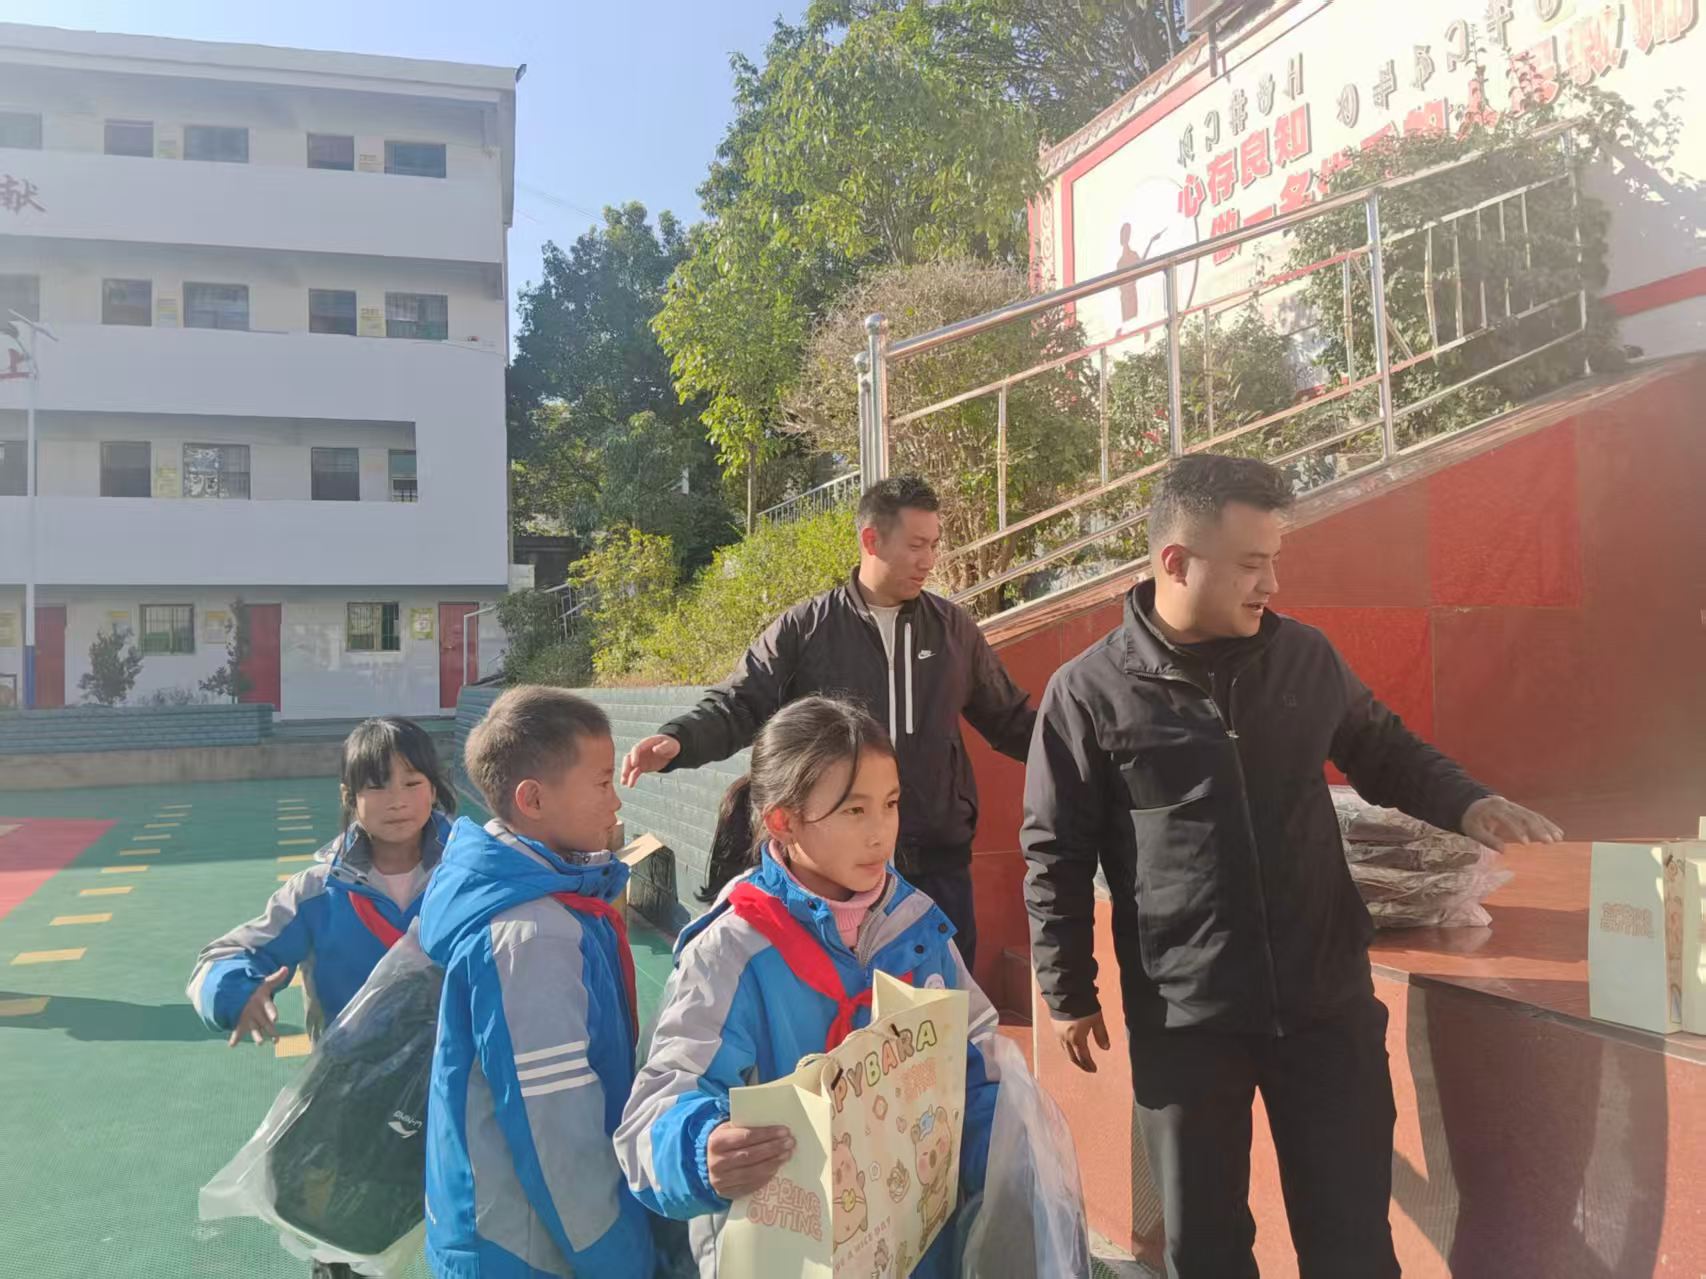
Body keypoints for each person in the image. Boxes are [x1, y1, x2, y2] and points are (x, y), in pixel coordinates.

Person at [1021, 454, 1562, 1279]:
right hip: (1187, 1021)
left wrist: (1467, 801)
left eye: (1275, 559)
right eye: (1251, 562)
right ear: (1177, 561)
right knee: (1207, 1251)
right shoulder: (1089, 692)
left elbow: (1385, 749)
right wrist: (1068, 988)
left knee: (1352, 1244)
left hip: (1326, 1005)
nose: (1271, 582)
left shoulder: (1306, 658)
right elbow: (1056, 850)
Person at [615, 696, 1004, 1278]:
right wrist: (702, 1150)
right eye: (854, 811)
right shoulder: (733, 950)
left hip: (912, 1250)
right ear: (783, 821)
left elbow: (978, 1064)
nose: (880, 833)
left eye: (891, 804)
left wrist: (1002, 1151)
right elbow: (653, 1117)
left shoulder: (918, 928)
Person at [621, 476, 1035, 971]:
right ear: (871, 540)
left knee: (942, 1001)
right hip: (830, 872)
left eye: (933, 545)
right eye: (916, 545)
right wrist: (679, 740)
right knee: (837, 1005)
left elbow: (1010, 719)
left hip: (935, 863)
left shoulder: (954, 631)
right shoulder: (806, 628)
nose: (928, 560)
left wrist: (1088, 749)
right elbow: (740, 703)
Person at [186, 715, 457, 1279]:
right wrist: (236, 992)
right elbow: (223, 955)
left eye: (413, 782)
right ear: (349, 797)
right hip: (352, 1105)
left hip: (461, 1090)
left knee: (467, 1239)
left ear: (435, 788)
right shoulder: (319, 891)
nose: (397, 800)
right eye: (376, 785)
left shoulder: (471, 874)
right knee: (342, 1240)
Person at [419, 686, 654, 1278]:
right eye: (602, 782)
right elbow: (556, 1134)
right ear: (533, 799)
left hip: (499, 1229)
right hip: (530, 1250)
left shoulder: (518, 890)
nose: (616, 800)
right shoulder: (532, 936)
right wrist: (622, 1261)